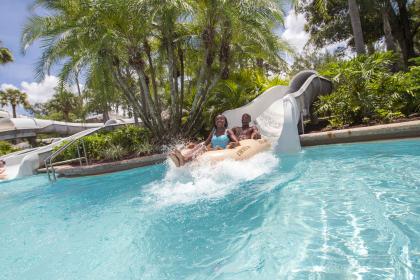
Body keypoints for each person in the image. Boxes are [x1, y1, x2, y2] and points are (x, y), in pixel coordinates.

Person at [169, 114, 240, 167]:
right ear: (215, 122)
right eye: (217, 119)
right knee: (201, 145)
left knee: (204, 148)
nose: (219, 120)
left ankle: (185, 160)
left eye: (221, 119)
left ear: (225, 121)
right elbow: (206, 143)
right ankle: (183, 157)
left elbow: (237, 142)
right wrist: (196, 146)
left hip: (222, 150)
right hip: (213, 150)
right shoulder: (213, 132)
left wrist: (233, 144)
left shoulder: (228, 131)